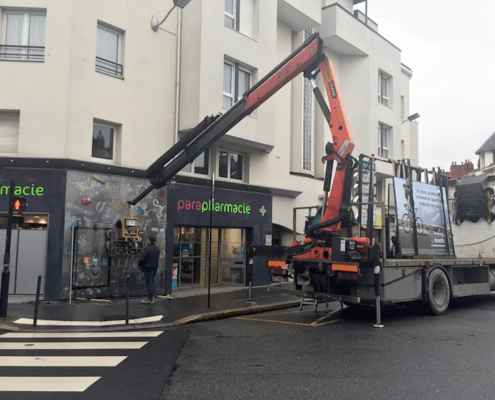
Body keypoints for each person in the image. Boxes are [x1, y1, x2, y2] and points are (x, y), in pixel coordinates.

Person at [138, 235, 160, 304]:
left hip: (148, 268)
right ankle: (151, 296)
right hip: (154, 268)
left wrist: (140, 265)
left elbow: (142, 259)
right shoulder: (157, 248)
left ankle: (150, 299)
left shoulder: (147, 248)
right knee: (152, 282)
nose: (147, 240)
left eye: (147, 239)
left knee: (149, 283)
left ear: (149, 241)